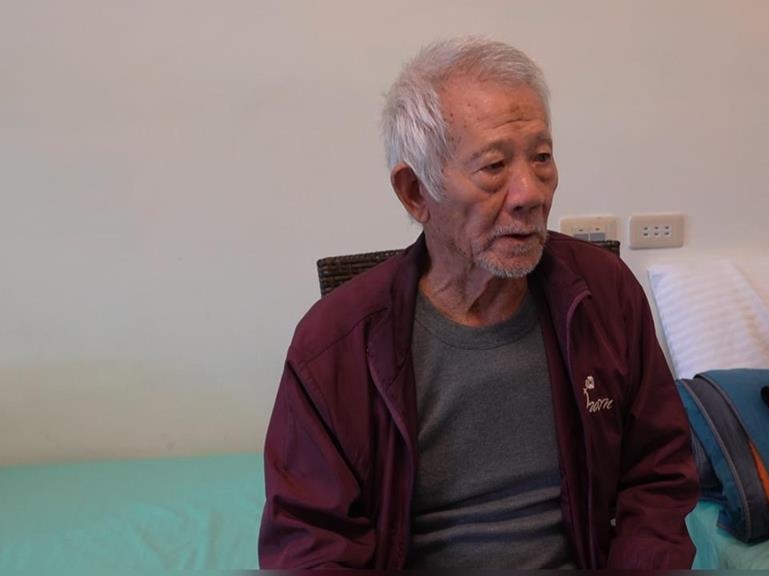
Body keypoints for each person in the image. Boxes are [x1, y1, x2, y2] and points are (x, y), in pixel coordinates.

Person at [258, 36, 698, 570]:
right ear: (415, 192)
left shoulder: (603, 295)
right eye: (494, 166)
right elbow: (313, 543)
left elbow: (658, 474)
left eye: (542, 158)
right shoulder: (335, 343)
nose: (530, 193)